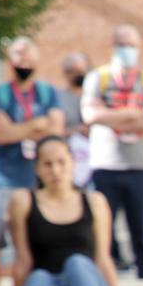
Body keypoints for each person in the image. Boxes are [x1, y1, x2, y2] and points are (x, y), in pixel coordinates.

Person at [6, 137, 143, 286]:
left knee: (77, 263)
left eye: (62, 162)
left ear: (73, 162)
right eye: (48, 164)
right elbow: (23, 261)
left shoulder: (95, 202)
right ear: (37, 168)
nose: (56, 170)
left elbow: (103, 259)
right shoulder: (23, 201)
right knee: (39, 276)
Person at [0, 37, 65, 286]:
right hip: (7, 178)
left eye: (28, 55)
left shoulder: (48, 92)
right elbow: (0, 135)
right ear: (10, 60)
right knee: (6, 245)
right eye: (18, 55)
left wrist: (16, 129)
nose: (24, 61)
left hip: (39, 180)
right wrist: (37, 125)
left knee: (38, 240)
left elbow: (56, 130)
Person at [82, 25, 143, 279]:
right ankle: (102, 279)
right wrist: (132, 113)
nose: (127, 50)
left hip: (139, 168)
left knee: (141, 233)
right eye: (122, 44)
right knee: (102, 233)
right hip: (105, 167)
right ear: (113, 46)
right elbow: (90, 115)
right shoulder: (99, 78)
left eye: (132, 45)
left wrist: (110, 116)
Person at [58, 52, 93, 188]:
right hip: (69, 159)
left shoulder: (94, 96)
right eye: (73, 71)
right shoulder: (59, 98)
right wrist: (76, 131)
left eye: (81, 71)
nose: (78, 75)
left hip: (93, 161)